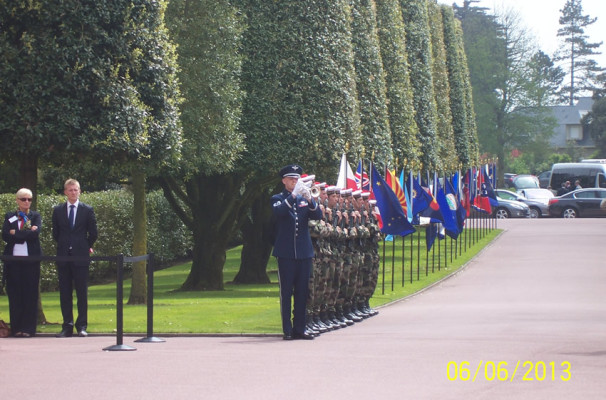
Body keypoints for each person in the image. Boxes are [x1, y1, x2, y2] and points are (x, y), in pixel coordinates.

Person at [271, 164, 322, 340]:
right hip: (285, 253)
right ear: (284, 180)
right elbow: (279, 212)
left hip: (304, 252)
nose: (295, 182)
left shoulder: (303, 199)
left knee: (302, 292)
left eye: (296, 179)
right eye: (292, 179)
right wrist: (293, 195)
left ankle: (300, 328)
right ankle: (287, 330)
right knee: (286, 293)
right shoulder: (278, 198)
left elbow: (318, 216)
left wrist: (310, 200)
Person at [52, 179, 98, 337]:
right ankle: (67, 326)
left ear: (80, 191)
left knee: (81, 293)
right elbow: (56, 233)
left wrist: (85, 246)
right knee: (65, 293)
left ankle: (82, 326)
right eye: (70, 190)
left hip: (80, 256)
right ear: (65, 192)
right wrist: (66, 245)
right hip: (63, 256)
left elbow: (93, 233)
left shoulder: (87, 210)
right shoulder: (58, 210)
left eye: (75, 190)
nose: (73, 192)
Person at [2, 188, 42, 337]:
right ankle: (17, 327)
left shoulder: (35, 216)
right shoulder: (10, 216)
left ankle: (28, 329)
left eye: (29, 199)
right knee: (15, 294)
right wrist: (26, 233)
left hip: (31, 260)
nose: (26, 202)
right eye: (23, 199)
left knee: (30, 294)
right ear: (17, 200)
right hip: (13, 261)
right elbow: (6, 235)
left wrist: (16, 233)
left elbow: (35, 234)